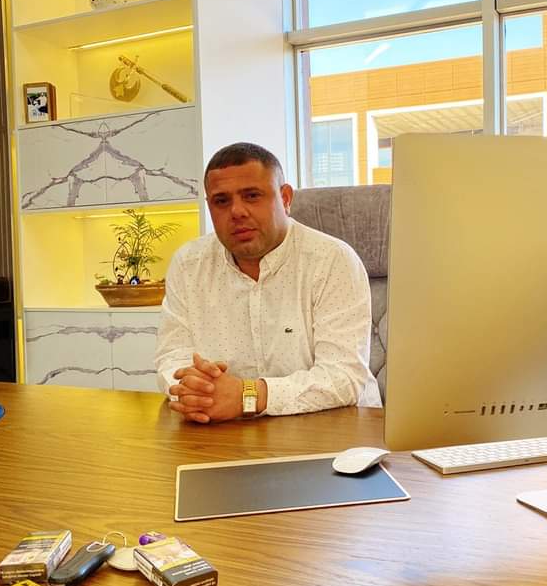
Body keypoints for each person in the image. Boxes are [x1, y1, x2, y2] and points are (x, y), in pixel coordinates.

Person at [154, 142, 381, 423]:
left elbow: (343, 377)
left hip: (335, 429)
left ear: (285, 198)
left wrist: (247, 396)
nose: (237, 211)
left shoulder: (332, 260)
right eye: (221, 201)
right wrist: (197, 392)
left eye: (252, 196)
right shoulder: (188, 264)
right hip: (225, 429)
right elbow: (172, 357)